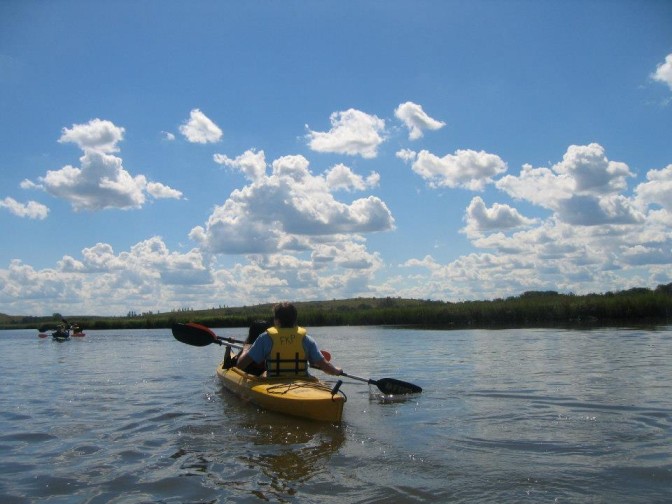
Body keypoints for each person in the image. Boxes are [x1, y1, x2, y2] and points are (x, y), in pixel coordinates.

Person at [236, 302, 342, 377]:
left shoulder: (264, 338)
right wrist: (336, 371)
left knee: (263, 375)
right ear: (295, 320)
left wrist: (245, 349)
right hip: (302, 382)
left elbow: (241, 365)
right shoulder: (306, 339)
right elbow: (324, 365)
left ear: (276, 320)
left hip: (273, 383)